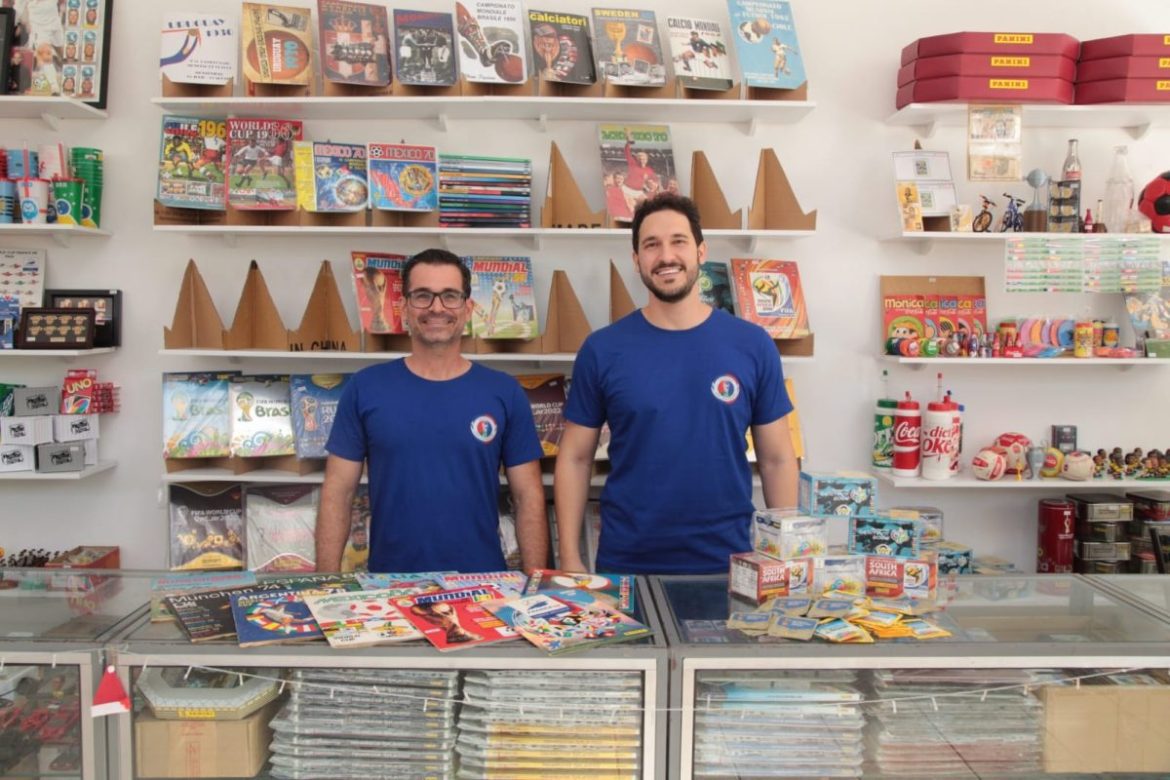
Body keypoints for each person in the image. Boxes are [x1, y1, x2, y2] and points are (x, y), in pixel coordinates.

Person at [554, 194, 799, 575]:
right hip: (627, 563)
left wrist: (786, 557)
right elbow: (575, 458)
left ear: (701, 251)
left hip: (729, 563)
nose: (666, 256)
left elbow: (777, 459)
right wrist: (570, 558)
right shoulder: (602, 349)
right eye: (651, 245)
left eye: (678, 241)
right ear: (637, 259)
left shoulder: (753, 345)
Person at [316, 248, 547, 573]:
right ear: (404, 307)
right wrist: (325, 584)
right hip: (390, 584)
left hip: (483, 584)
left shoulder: (504, 392)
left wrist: (536, 583)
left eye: (450, 296)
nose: (437, 307)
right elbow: (338, 493)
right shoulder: (365, 388)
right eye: (423, 296)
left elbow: (527, 497)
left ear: (468, 308)